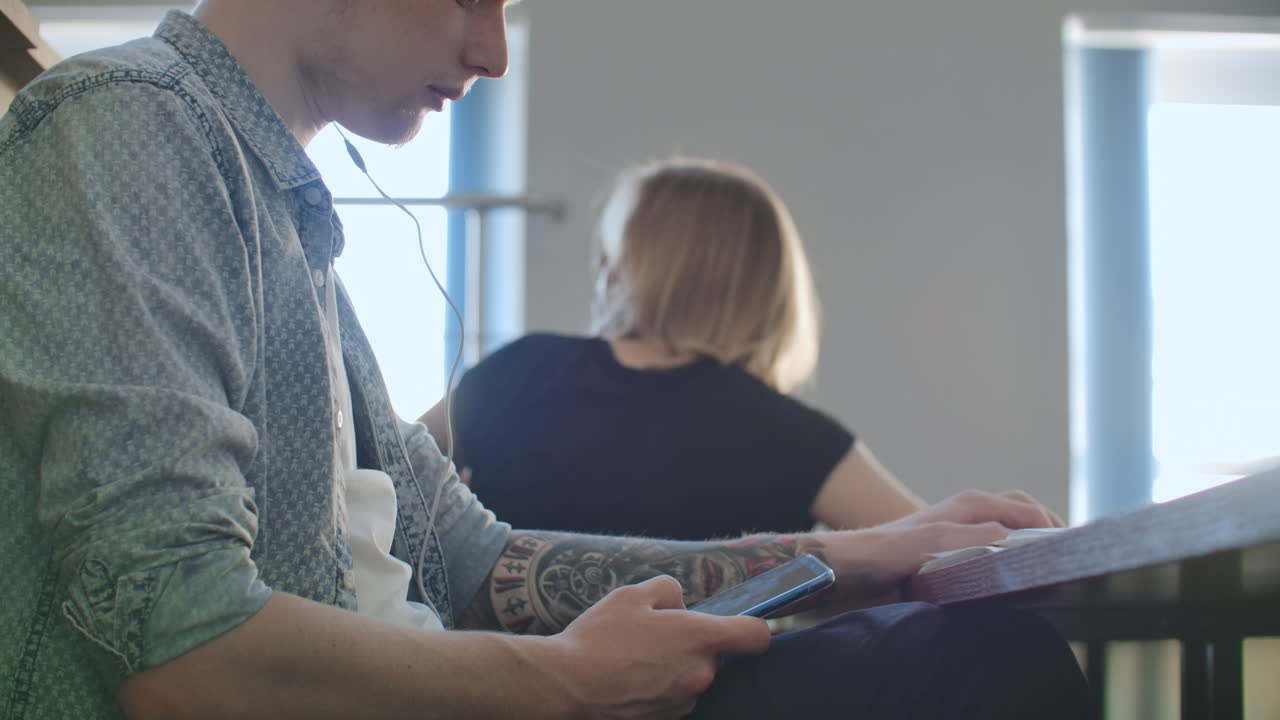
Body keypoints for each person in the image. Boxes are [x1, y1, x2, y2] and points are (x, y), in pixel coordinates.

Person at [0, 2, 1092, 719]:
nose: (493, 53)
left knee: (973, 650)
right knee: (982, 674)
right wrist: (560, 684)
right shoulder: (128, 126)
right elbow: (176, 642)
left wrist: (858, 556)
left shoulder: (290, 230)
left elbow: (482, 564)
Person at [419, 156, 929, 541]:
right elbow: (943, 555)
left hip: (494, 673)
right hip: (699, 683)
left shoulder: (520, 369)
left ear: (620, 271)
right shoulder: (793, 435)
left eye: (609, 254)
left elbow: (378, 472)